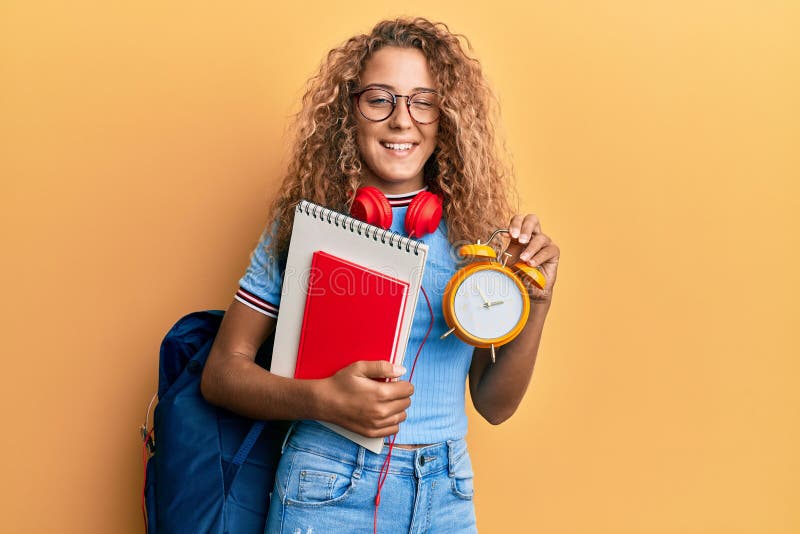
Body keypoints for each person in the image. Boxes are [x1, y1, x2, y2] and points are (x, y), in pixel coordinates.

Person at [201, 17, 560, 533]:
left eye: (423, 100)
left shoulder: (478, 238)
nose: (401, 120)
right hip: (325, 484)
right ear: (350, 112)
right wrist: (321, 399)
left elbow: (495, 406)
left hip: (447, 491)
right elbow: (221, 373)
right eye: (380, 99)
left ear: (446, 117)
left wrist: (538, 304)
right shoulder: (304, 224)